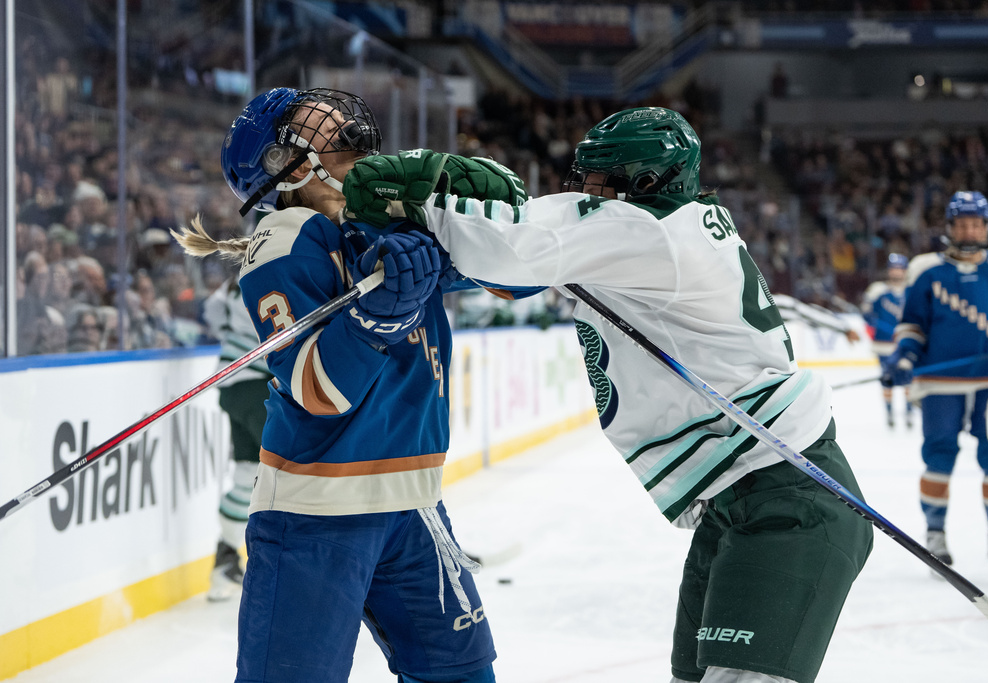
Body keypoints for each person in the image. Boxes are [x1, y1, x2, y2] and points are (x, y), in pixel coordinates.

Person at [343, 107, 874, 683]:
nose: (586, 189)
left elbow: (509, 246)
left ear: (647, 181)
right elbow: (521, 271)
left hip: (788, 497)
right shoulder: (665, 226)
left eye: (602, 178)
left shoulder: (648, 231)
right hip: (745, 495)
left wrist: (420, 196)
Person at [171, 87, 510, 683]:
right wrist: (381, 315)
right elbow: (319, 389)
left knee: (463, 675)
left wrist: (496, 209)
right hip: (315, 516)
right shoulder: (284, 237)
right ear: (285, 166)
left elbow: (517, 281)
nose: (348, 129)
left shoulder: (393, 214)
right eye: (321, 130)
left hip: (415, 506)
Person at [885, 191, 988, 574]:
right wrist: (904, 356)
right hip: (941, 383)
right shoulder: (926, 270)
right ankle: (935, 532)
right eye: (962, 224)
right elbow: (912, 324)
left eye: (976, 224)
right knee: (939, 455)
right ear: (949, 227)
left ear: (987, 227)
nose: (969, 230)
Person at [201, 273, 271, 602]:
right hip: (258, 383)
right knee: (292, 469)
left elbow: (212, 313)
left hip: (231, 384)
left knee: (247, 472)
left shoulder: (229, 282)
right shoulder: (273, 264)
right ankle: (283, 566)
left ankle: (225, 560)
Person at [861, 253, 910, 428]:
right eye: (893, 268)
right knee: (887, 379)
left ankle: (909, 413)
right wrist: (870, 318)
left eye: (899, 269)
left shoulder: (911, 290)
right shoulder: (878, 290)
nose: (896, 272)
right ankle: (889, 413)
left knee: (908, 379)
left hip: (905, 343)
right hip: (883, 345)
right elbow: (866, 312)